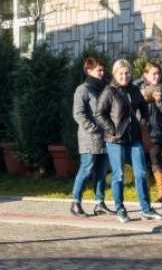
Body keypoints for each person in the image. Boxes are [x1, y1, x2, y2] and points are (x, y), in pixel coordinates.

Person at [95, 59, 162, 223]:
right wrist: (112, 129)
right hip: (115, 140)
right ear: (115, 74)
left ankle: (146, 209)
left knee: (141, 173)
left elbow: (143, 106)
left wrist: (144, 120)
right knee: (118, 175)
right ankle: (120, 209)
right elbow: (99, 113)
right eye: (121, 73)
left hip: (134, 139)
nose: (124, 76)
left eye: (127, 73)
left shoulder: (134, 89)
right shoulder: (109, 91)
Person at [70, 57, 113, 217]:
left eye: (103, 70)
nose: (102, 73)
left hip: (105, 138)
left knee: (101, 171)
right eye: (98, 70)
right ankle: (75, 203)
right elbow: (78, 113)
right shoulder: (83, 89)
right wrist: (93, 128)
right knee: (86, 169)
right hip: (90, 138)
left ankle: (99, 203)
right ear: (89, 71)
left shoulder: (103, 89)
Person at [134, 61, 162, 203]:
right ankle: (144, 194)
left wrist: (159, 102)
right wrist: (139, 97)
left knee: (155, 161)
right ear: (145, 75)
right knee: (141, 163)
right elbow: (128, 107)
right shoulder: (135, 86)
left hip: (156, 131)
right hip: (138, 130)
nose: (157, 76)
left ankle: (161, 194)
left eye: (159, 73)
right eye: (154, 74)